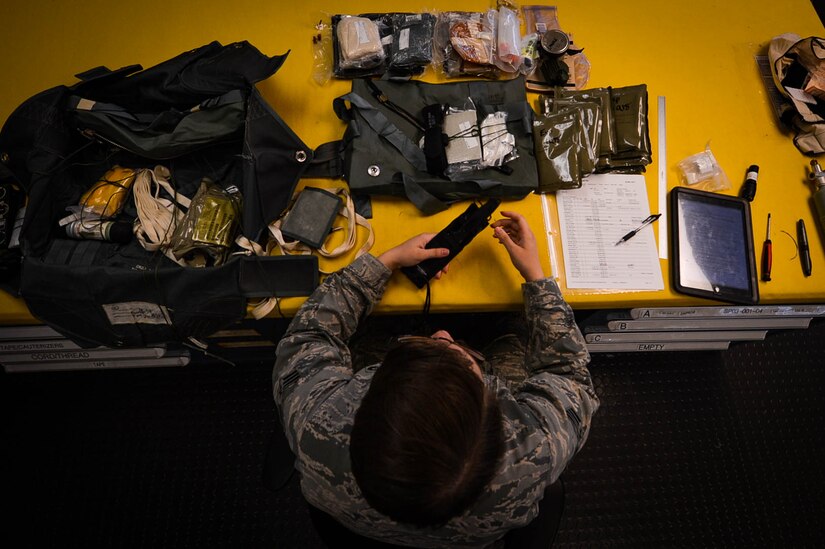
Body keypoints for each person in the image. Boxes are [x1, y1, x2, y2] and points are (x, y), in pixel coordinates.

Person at [273, 211, 599, 547]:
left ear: (366, 395)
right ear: (495, 415)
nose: (443, 333)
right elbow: (568, 373)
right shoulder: (536, 451)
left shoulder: (316, 421)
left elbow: (309, 333)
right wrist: (536, 276)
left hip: (355, 529)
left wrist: (386, 261)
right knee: (514, 336)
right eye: (467, 364)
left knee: (372, 331)